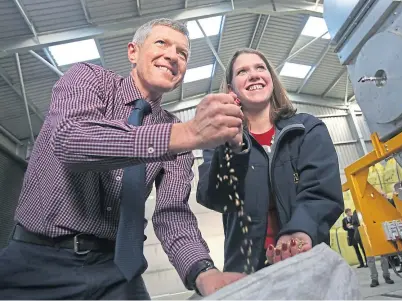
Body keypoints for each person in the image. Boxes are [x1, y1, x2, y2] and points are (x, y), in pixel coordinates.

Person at [0, 19, 246, 299]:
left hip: (117, 271)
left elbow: (172, 214)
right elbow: (71, 140)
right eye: (162, 43)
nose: (172, 55)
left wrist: (204, 271)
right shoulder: (89, 79)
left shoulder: (178, 134)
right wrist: (186, 133)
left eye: (183, 53)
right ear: (133, 52)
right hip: (37, 263)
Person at [196, 48, 344, 273]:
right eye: (242, 71)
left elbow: (322, 192)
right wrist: (233, 150)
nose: (253, 75)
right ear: (231, 89)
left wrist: (300, 231)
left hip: (308, 262)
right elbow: (216, 198)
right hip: (247, 273)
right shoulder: (219, 141)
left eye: (260, 68)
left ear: (271, 80)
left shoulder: (307, 129)